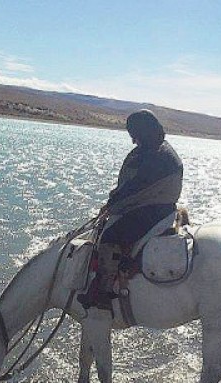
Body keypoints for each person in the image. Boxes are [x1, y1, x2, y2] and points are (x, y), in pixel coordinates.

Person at [77, 110, 183, 309]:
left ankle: (103, 290)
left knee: (111, 236)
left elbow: (134, 187)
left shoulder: (157, 155)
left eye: (134, 135)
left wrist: (112, 204)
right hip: (156, 205)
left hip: (153, 209)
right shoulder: (155, 149)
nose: (133, 140)